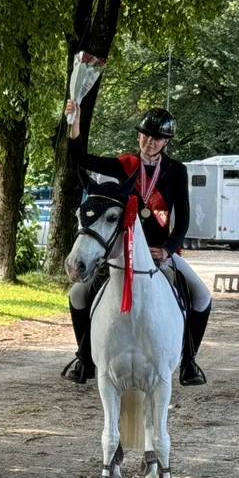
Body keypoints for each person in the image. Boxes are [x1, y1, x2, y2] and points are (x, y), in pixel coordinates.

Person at [62, 101, 211, 386]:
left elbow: (183, 220)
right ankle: (84, 357)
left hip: (158, 252)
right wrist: (75, 121)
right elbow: (80, 156)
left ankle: (189, 361)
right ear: (138, 136)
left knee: (202, 297)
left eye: (157, 138)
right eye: (145, 135)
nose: (150, 142)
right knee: (78, 295)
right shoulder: (124, 165)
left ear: (166, 141)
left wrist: (168, 248)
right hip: (120, 250)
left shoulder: (176, 171)